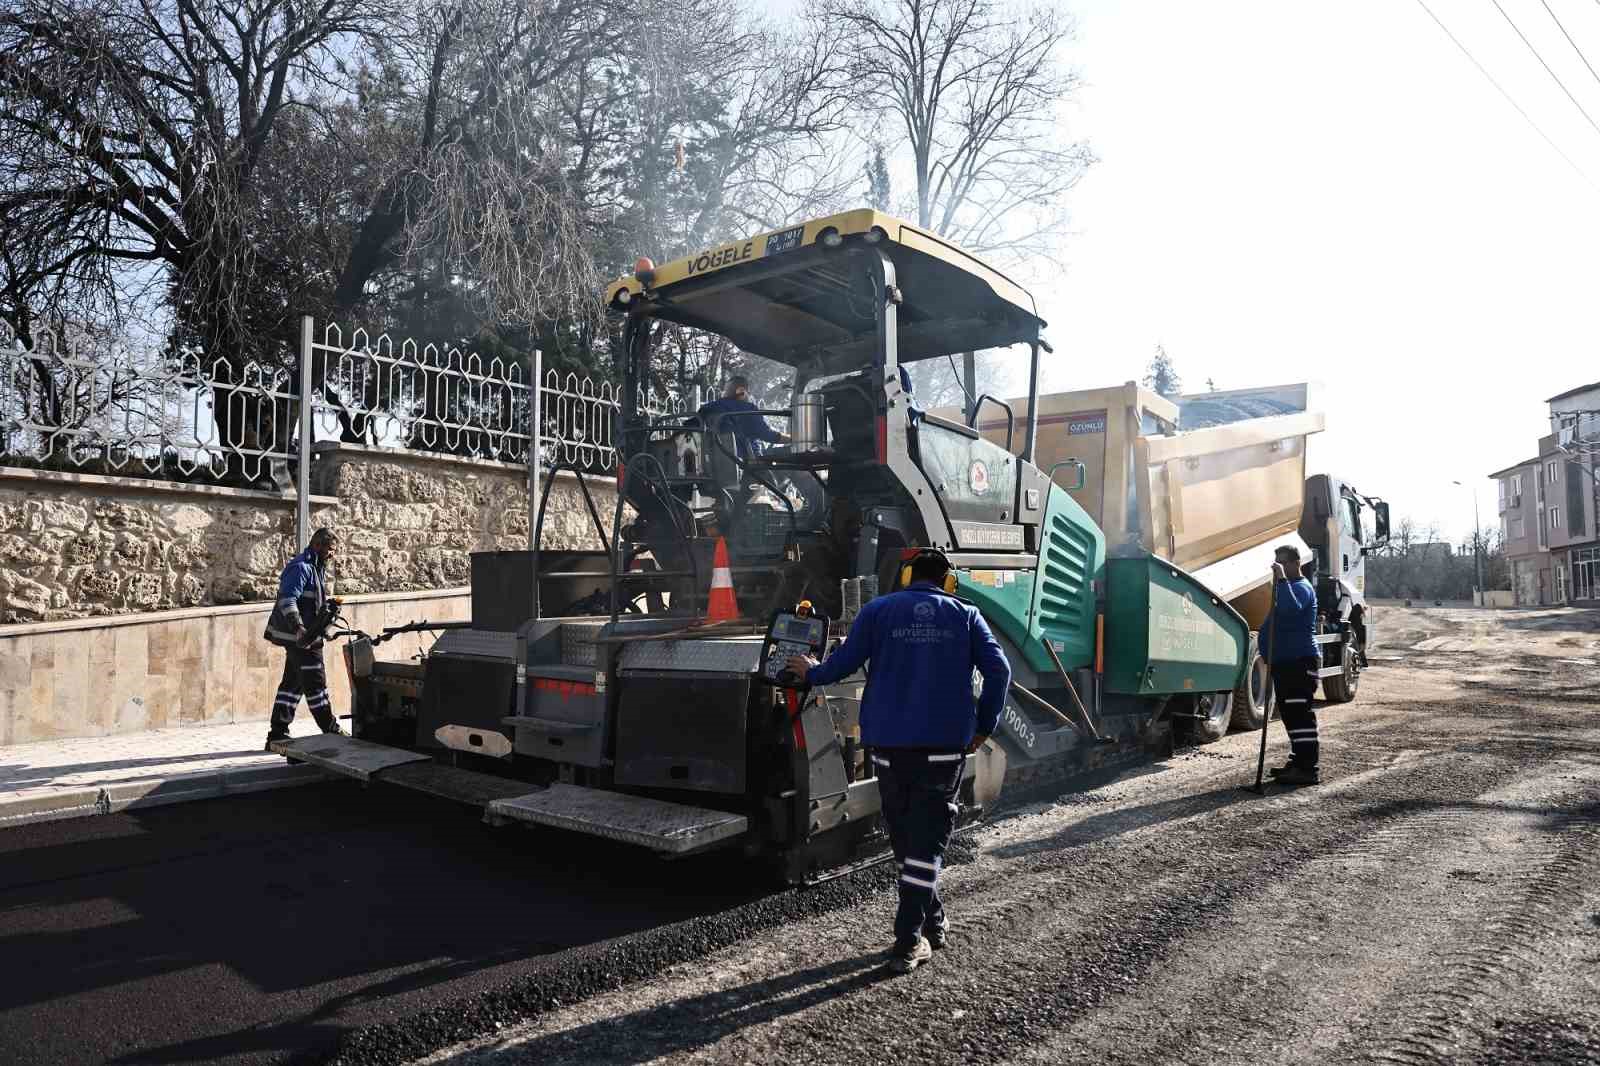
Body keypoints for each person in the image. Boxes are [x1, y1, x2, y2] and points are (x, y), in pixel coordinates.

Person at [787, 548, 1011, 973]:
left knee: (909, 839)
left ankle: (910, 939)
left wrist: (810, 671)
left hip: (889, 747)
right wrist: (985, 727)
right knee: (923, 843)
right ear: (949, 581)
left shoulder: (878, 611)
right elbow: (999, 671)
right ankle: (928, 925)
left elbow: (841, 665)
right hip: (944, 747)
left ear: (907, 576)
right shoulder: (967, 615)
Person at [262, 527, 345, 750]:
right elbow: (287, 600)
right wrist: (299, 628)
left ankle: (277, 734)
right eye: (330, 550)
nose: (332, 555)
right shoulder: (301, 567)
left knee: (292, 685)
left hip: (305, 637)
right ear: (317, 546)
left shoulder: (315, 567)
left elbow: (311, 605)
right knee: (316, 684)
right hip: (301, 639)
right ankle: (331, 729)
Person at [1267, 544, 1321, 785]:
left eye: (1282, 563)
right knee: (1290, 714)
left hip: (1299, 662)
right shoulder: (1287, 588)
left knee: (1300, 715)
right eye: (1276, 563)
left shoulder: (1300, 587)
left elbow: (1290, 610)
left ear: (1295, 563)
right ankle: (1298, 761)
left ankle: (1308, 769)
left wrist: (1280, 580)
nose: (1278, 567)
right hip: (1286, 663)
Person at [696, 375, 789, 459]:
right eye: (748, 392)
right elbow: (769, 436)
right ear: (741, 391)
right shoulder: (748, 409)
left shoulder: (707, 408)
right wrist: (794, 439)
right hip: (746, 465)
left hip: (711, 463)